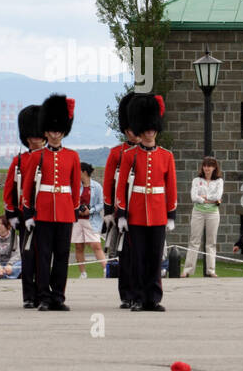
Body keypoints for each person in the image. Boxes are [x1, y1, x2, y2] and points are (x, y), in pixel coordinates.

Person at [115, 93, 177, 311]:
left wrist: (171, 214)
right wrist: (121, 214)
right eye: (146, 129)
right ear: (141, 130)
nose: (150, 133)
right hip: (137, 214)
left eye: (152, 129)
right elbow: (122, 187)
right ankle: (140, 297)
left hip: (158, 213)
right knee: (139, 259)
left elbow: (171, 187)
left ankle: (154, 298)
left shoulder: (166, 156)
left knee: (155, 259)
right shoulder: (129, 155)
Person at [22, 94, 81, 311]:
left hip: (65, 212)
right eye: (52, 130)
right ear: (46, 132)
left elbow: (75, 187)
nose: (56, 134)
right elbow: (28, 188)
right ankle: (44, 297)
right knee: (43, 257)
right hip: (43, 212)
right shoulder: (37, 156)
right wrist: (28, 214)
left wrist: (73, 210)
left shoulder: (72, 156)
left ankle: (58, 296)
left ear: (63, 132)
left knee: (62, 257)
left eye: (59, 130)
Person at [3, 105, 43, 307]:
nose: (34, 139)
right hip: (24, 214)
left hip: (45, 214)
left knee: (44, 258)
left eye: (37, 135)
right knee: (28, 257)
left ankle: (44, 292)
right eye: (32, 136)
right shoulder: (20, 160)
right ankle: (29, 296)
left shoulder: (48, 158)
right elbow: (10, 188)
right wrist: (11, 213)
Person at [102, 92, 138, 307]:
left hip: (143, 211)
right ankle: (126, 294)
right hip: (122, 211)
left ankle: (140, 291)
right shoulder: (117, 153)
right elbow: (109, 183)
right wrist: (109, 211)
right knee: (124, 255)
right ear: (126, 130)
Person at [186, 156, 224, 278]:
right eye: (205, 165)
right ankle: (188, 270)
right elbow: (193, 197)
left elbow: (218, 195)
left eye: (210, 166)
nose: (207, 168)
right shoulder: (196, 180)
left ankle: (211, 270)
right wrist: (206, 200)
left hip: (213, 213)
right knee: (194, 240)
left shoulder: (219, 181)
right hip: (198, 212)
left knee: (211, 242)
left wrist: (204, 197)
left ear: (214, 168)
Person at [71, 162, 106, 277]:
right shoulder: (74, 186)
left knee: (96, 245)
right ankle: (83, 273)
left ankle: (106, 269)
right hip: (77, 220)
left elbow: (101, 204)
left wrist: (90, 210)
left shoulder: (97, 187)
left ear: (84, 172)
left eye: (78, 171)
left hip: (91, 220)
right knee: (79, 246)